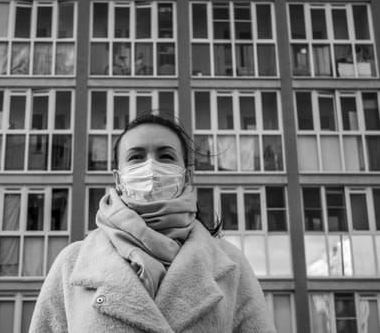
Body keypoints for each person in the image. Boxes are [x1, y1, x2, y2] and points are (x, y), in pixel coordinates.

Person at [29, 114, 277, 333]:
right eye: (136, 157)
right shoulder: (71, 264)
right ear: (118, 178)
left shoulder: (231, 265)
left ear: (186, 175)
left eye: (165, 156)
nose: (151, 166)